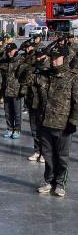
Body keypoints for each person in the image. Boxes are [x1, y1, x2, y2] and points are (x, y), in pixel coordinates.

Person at [27, 45, 77, 197]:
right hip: (44, 122)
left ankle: (60, 183)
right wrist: (35, 63)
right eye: (52, 57)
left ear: (64, 58)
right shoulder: (43, 75)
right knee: (48, 156)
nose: (54, 61)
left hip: (63, 124)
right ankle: (48, 181)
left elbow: (76, 101)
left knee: (62, 157)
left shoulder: (72, 77)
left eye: (57, 58)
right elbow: (23, 79)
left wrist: (73, 122)